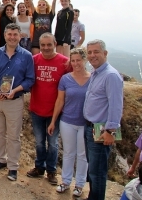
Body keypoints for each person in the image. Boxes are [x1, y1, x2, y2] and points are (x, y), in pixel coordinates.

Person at [0, 23, 35, 181]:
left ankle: (13, 167)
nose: (12, 37)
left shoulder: (27, 56)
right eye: (9, 34)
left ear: (20, 36)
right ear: (5, 35)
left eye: (15, 34)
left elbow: (30, 80)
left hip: (14, 101)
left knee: (14, 136)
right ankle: (1, 159)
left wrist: (15, 90)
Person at [26, 32, 70, 185]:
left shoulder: (65, 62)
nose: (45, 48)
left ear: (54, 43)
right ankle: (39, 167)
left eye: (49, 44)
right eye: (43, 45)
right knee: (39, 142)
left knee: (53, 143)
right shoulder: (33, 60)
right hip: (36, 109)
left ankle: (51, 171)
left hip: (55, 112)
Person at [83, 39, 123, 200]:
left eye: (96, 52)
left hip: (101, 130)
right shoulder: (96, 72)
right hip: (90, 127)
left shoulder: (111, 75)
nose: (92, 55)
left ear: (105, 53)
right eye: (90, 52)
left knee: (97, 171)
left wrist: (110, 131)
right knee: (92, 168)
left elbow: (116, 106)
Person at [47, 47, 90, 197]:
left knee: (83, 155)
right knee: (68, 153)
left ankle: (79, 184)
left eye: (79, 60)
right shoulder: (65, 79)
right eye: (73, 60)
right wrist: (53, 121)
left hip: (85, 123)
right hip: (67, 121)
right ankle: (65, 181)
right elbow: (60, 101)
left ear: (84, 60)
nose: (76, 63)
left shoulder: (93, 79)